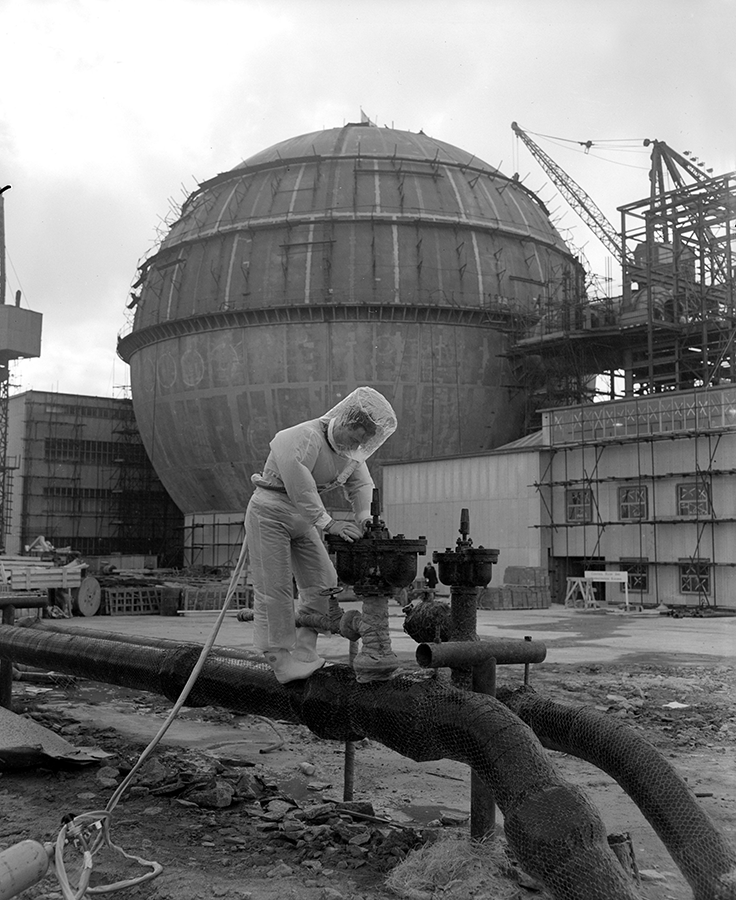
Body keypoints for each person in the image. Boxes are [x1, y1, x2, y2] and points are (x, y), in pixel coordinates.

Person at [245, 386, 397, 683]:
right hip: (270, 512)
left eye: (362, 443)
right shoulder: (302, 437)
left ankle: (305, 647)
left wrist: (364, 517)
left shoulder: (350, 453)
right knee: (274, 588)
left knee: (323, 580)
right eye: (355, 438)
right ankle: (279, 659)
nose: (356, 446)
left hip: (303, 520)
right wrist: (329, 523)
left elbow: (361, 485)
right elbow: (299, 484)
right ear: (345, 422)